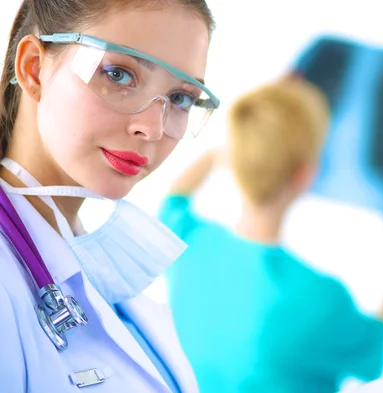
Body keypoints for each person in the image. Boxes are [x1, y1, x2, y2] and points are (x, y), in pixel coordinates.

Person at [0, 0, 219, 392]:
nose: (153, 128)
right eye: (118, 74)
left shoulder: (98, 268)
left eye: (181, 98)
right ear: (34, 68)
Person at [159, 78, 383, 393]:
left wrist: (226, 150)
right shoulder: (321, 298)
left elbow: (175, 198)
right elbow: (373, 353)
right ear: (304, 173)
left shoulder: (184, 245)